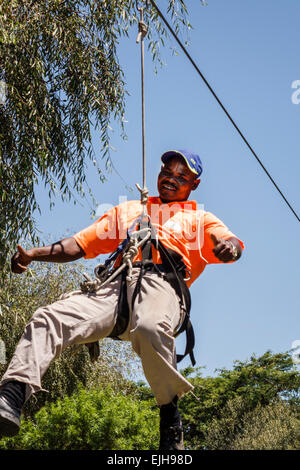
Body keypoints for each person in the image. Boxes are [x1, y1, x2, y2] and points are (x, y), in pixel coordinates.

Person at [0, 149, 244, 449]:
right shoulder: (131, 210)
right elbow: (79, 244)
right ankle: (12, 395)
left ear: (193, 185)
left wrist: (229, 247)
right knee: (50, 317)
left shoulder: (200, 218)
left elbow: (228, 240)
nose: (171, 179)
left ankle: (169, 416)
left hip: (162, 285)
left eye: (182, 176)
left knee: (150, 328)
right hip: (115, 286)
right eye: (167, 172)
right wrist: (33, 255)